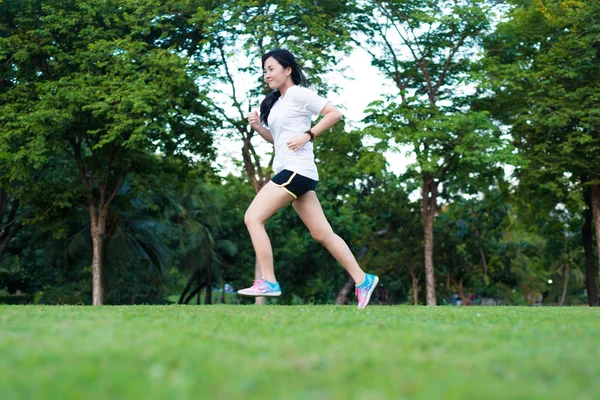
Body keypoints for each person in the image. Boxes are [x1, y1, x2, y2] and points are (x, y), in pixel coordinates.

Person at [237, 49, 379, 310]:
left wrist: (308, 135)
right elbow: (279, 141)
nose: (266, 74)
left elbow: (334, 113)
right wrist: (258, 128)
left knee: (252, 217)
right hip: (296, 172)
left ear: (287, 69)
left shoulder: (299, 94)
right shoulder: (276, 103)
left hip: (295, 171)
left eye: (271, 68)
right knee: (322, 233)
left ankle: (269, 280)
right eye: (265, 70)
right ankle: (363, 279)